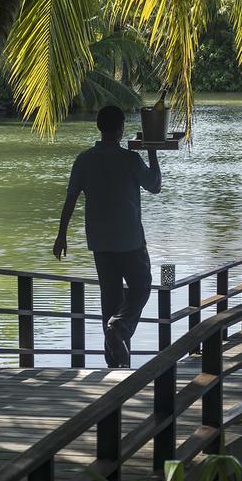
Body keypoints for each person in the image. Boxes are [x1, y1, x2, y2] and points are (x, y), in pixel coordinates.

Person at [53, 106, 162, 368]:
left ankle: (115, 364)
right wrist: (152, 150)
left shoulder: (84, 159)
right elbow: (155, 186)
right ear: (122, 127)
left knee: (110, 299)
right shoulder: (129, 159)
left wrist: (61, 235)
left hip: (100, 243)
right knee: (141, 285)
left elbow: (70, 199)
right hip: (130, 241)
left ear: (99, 128)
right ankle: (121, 327)